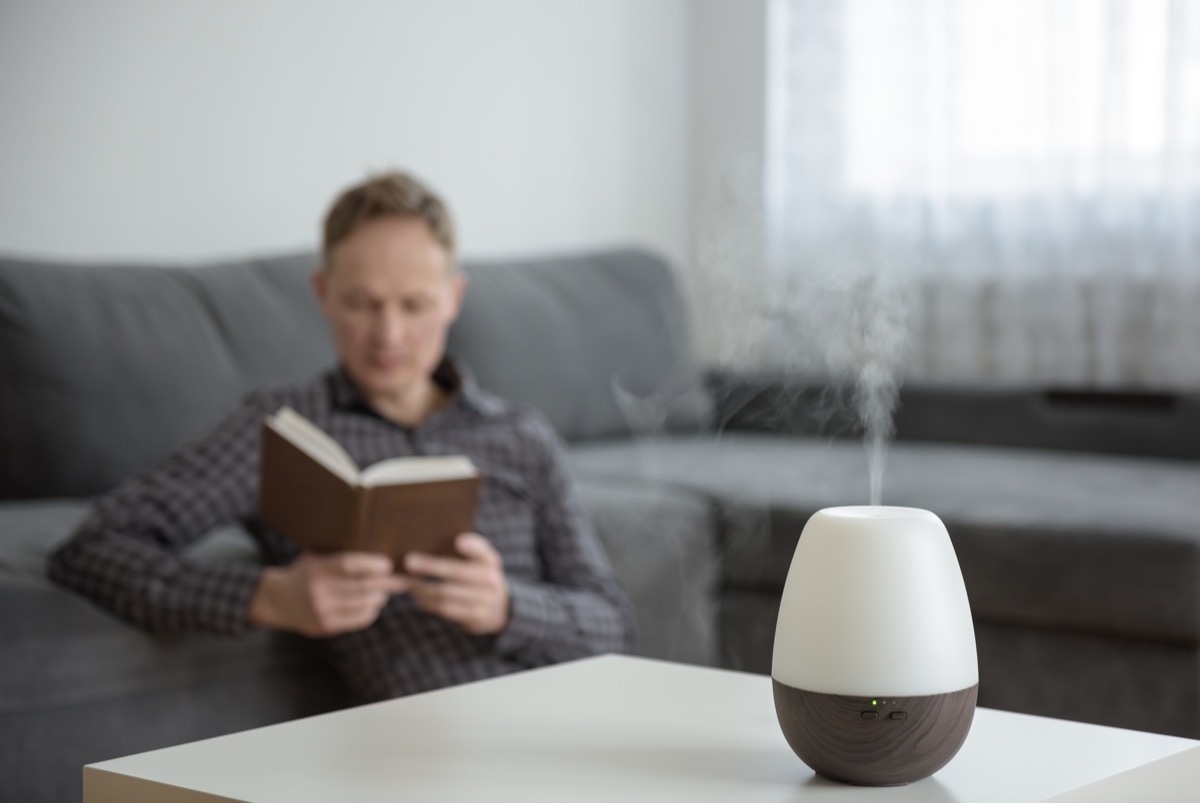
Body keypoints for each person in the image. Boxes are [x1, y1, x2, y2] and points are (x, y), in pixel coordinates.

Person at [48, 171, 636, 703]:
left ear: (454, 298)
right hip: (430, 754)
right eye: (361, 303)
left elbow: (614, 624)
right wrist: (269, 596)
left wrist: (507, 606)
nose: (389, 334)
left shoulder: (520, 436)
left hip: (565, 723)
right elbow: (92, 550)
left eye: (414, 305)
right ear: (322, 293)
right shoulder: (279, 430)